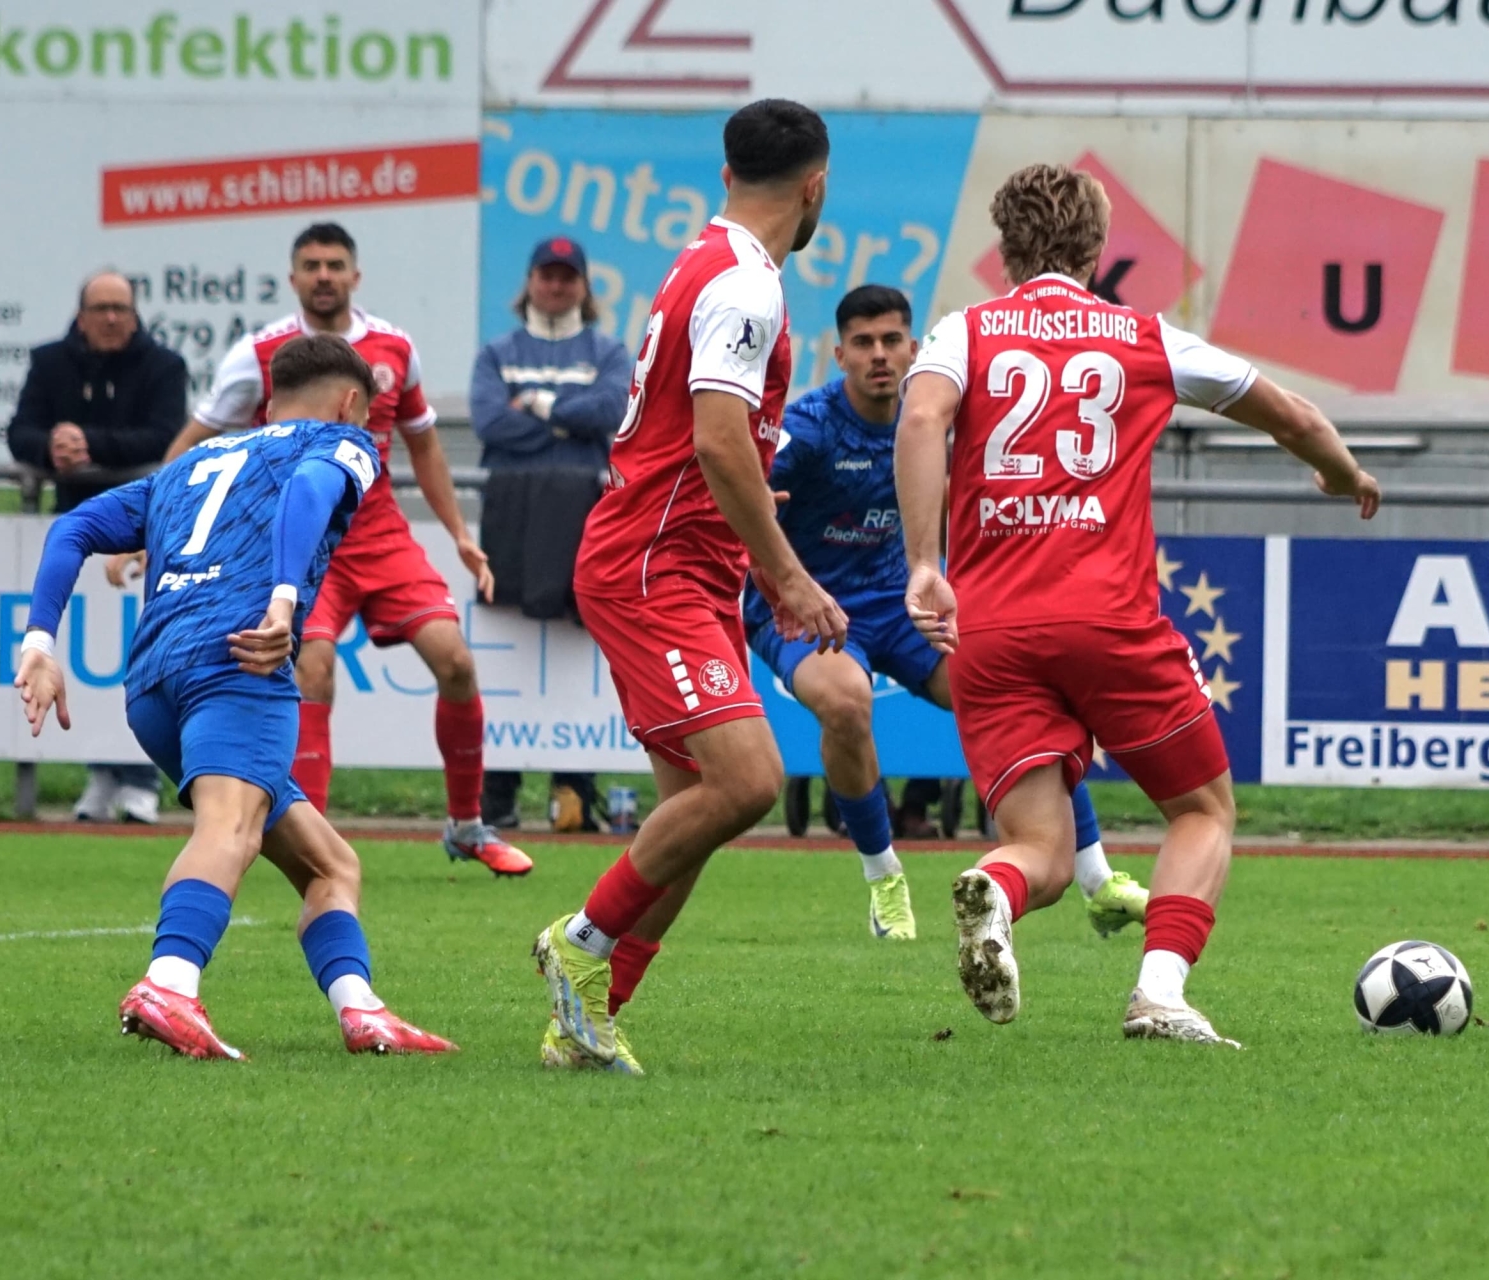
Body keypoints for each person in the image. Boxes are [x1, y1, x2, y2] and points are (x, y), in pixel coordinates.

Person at [896, 163, 1381, 1046]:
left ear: (1005, 250)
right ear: (1096, 249)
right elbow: (1294, 415)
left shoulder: (961, 332)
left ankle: (996, 889)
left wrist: (926, 563)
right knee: (1203, 810)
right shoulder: (1144, 338)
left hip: (990, 632)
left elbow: (923, 420)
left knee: (1040, 850)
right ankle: (1159, 992)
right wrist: (1343, 473)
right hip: (1108, 620)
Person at [15, 332, 455, 1060]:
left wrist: (40, 642)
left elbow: (75, 527)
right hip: (240, 664)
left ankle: (362, 1010)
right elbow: (310, 489)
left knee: (331, 865)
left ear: (268, 403)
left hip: (154, 683)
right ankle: (169, 984)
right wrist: (283, 601)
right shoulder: (344, 442)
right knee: (231, 830)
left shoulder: (192, 462)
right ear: (352, 403)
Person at [531, 99, 847, 1076]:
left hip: (680, 555)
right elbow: (715, 439)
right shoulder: (746, 284)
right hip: (653, 563)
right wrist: (787, 574)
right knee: (748, 781)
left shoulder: (702, 259)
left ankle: (587, 1021)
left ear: (726, 174)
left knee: (689, 819)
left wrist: (745, 503)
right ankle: (578, 944)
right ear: (815, 186)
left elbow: (708, 438)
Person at [746, 283, 1147, 941]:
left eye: (891, 340)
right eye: (863, 343)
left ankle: (1098, 882)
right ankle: (884, 878)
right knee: (846, 701)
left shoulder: (936, 418)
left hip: (901, 600)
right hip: (806, 607)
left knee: (1024, 695)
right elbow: (739, 489)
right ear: (840, 355)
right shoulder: (811, 427)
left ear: (913, 348)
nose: (879, 355)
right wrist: (778, 568)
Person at [135, 222, 530, 877]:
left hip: (380, 536)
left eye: (335, 264)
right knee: (312, 668)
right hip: (301, 540)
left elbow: (424, 445)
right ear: (293, 278)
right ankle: (309, 845)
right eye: (312, 265)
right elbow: (194, 441)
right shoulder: (259, 354)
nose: (324, 275)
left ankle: (466, 826)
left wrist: (460, 534)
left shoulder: (395, 348)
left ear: (355, 275)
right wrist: (157, 528)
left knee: (456, 661)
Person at [8, 270, 188, 824]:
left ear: (135, 315)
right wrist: (52, 447)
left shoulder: (164, 366)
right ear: (80, 315)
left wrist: (92, 446)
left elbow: (168, 436)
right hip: (75, 529)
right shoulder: (50, 362)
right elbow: (20, 432)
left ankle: (141, 777)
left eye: (121, 308)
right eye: (100, 308)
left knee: (141, 650)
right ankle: (103, 772)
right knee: (84, 653)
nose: (111, 318)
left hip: (143, 530)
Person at [470, 235, 631, 831]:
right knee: (506, 650)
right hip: (510, 519)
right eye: (547, 275)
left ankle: (574, 788)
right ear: (530, 282)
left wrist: (536, 404)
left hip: (587, 520)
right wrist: (569, 420)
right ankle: (498, 792)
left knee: (577, 645)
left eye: (568, 276)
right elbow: (490, 422)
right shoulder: (498, 351)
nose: (557, 285)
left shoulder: (608, 350)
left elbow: (612, 413)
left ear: (584, 286)